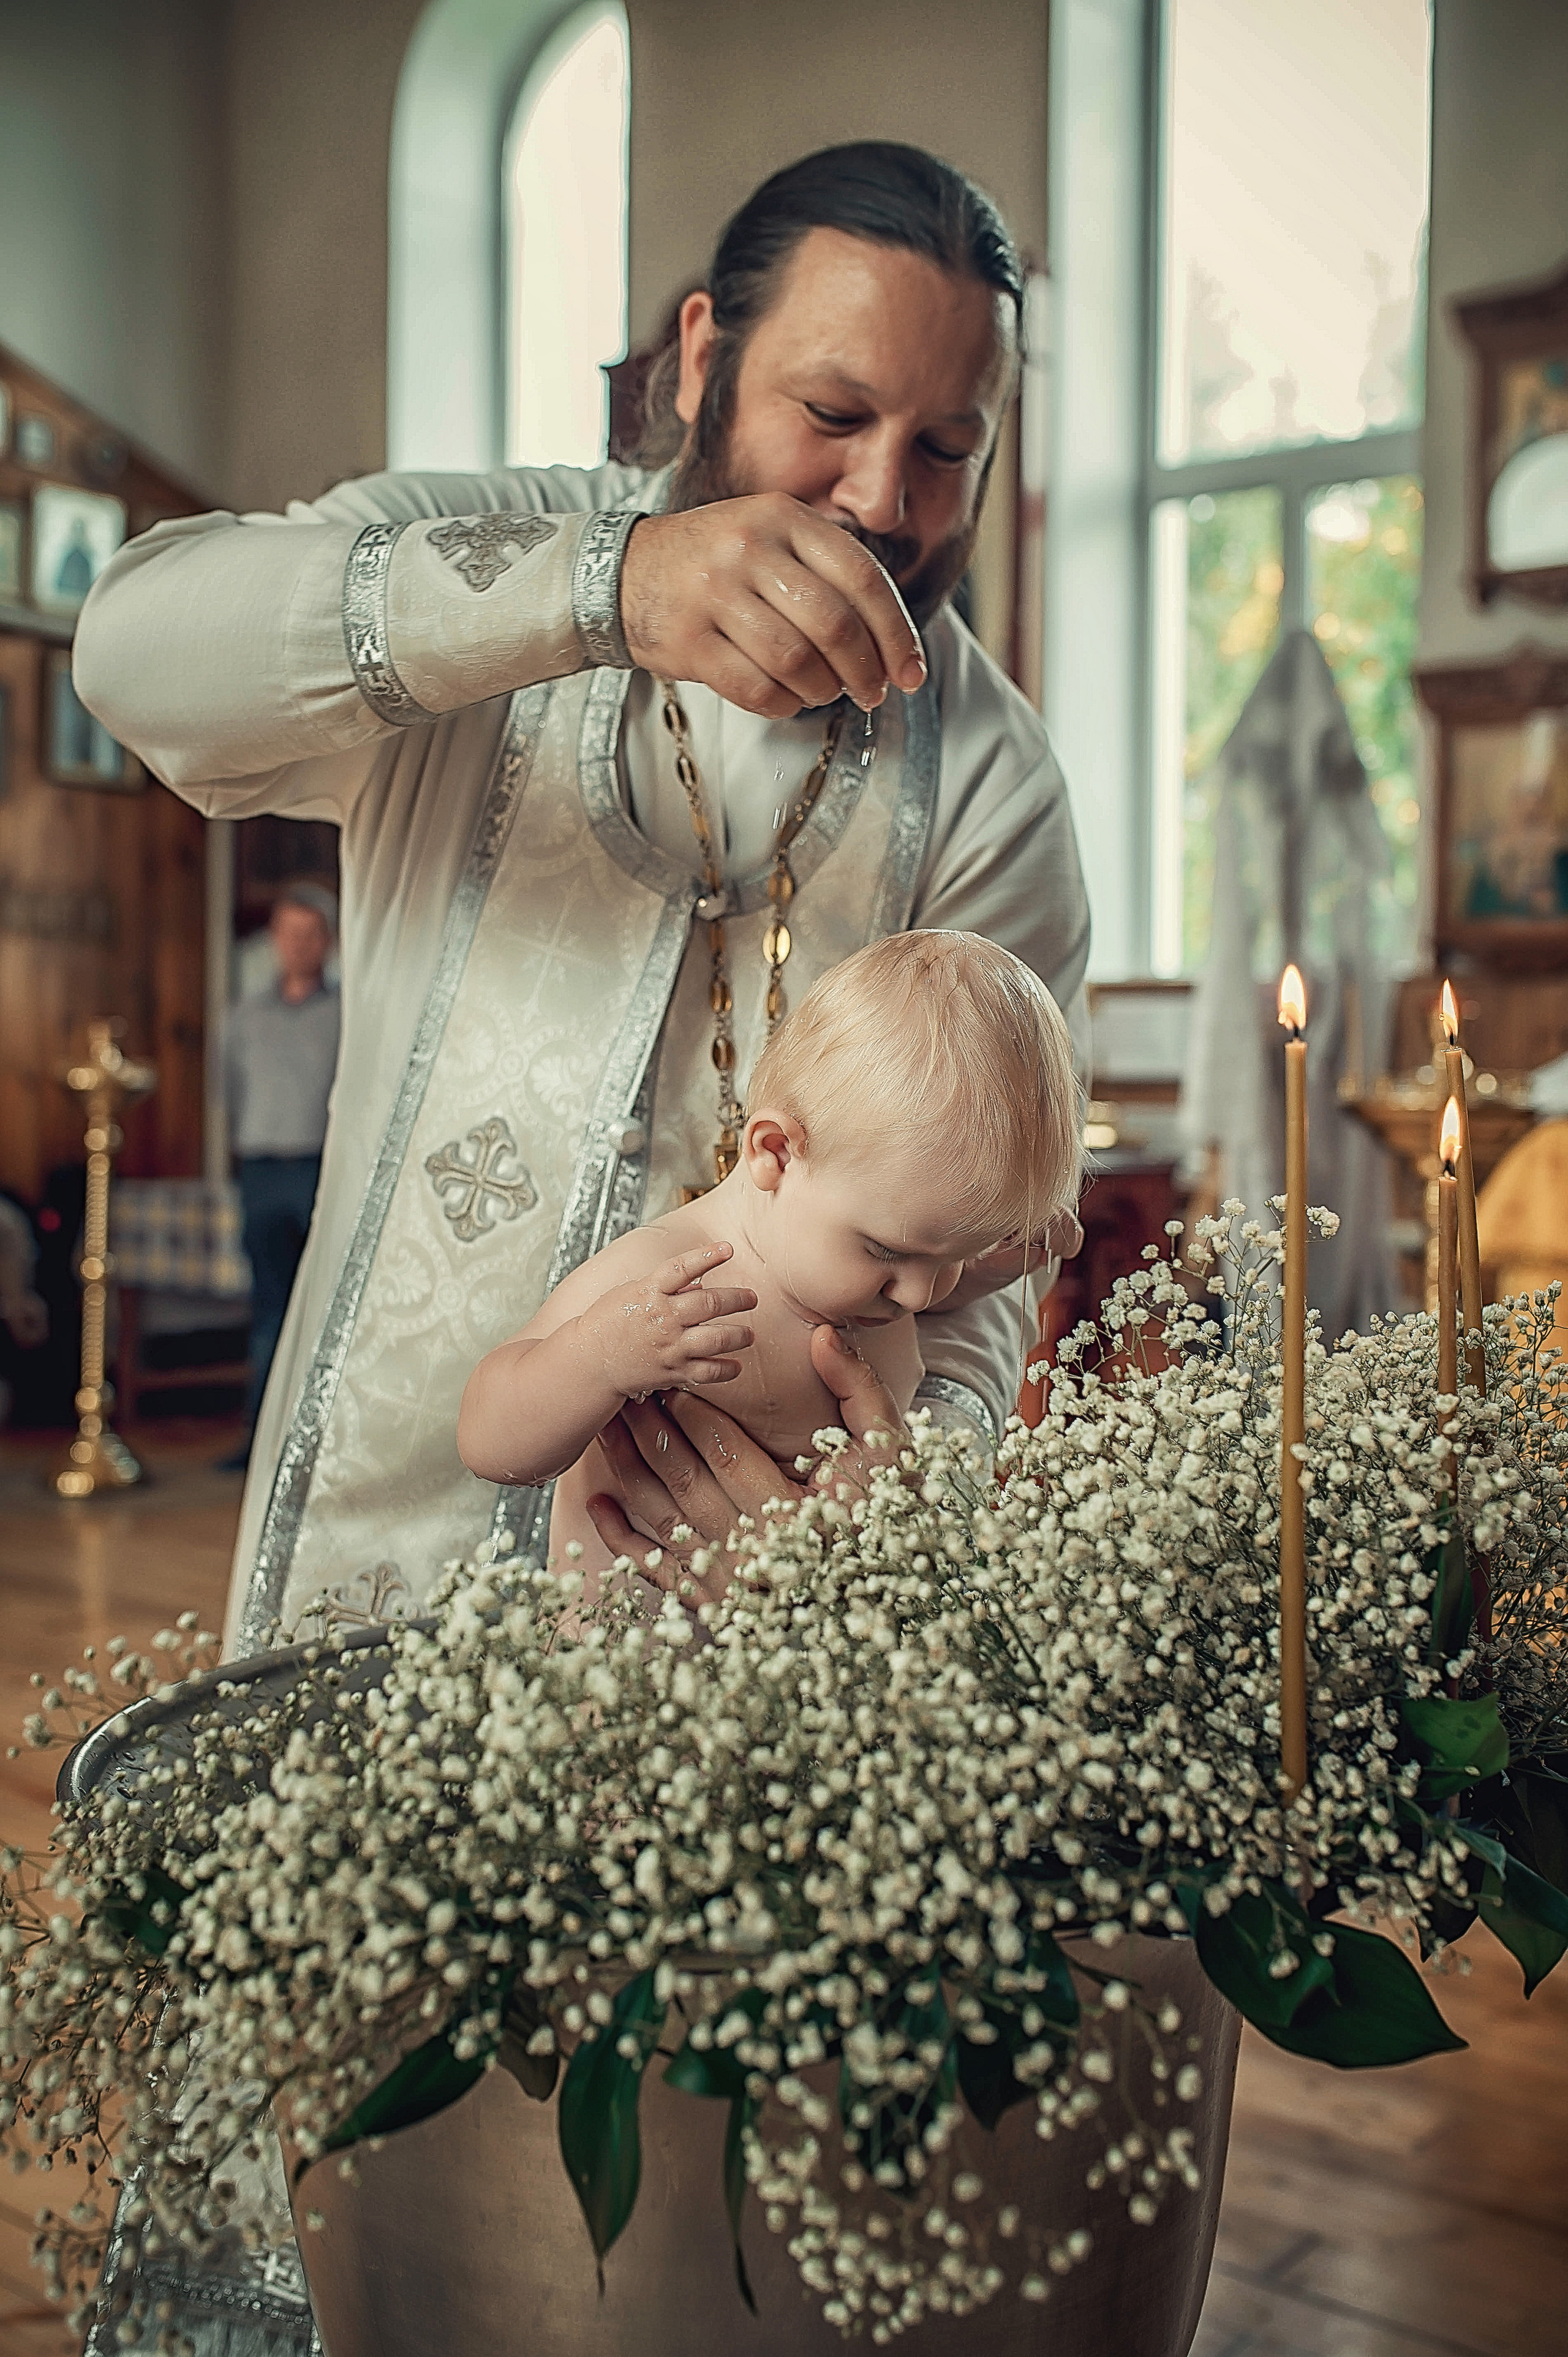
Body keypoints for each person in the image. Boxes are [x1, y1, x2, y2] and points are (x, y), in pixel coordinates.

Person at [74, 140, 1091, 1659]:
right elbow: (131, 648)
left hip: (730, 1624)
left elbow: (975, 1264)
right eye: (832, 413)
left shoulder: (996, 785)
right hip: (377, 1563)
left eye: (948, 445)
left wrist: (882, 1509)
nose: (887, 499)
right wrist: (596, 589)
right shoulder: (511, 542)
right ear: (702, 359)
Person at [458, 933, 1083, 1589]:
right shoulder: (665, 1279)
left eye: (952, 1257)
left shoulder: (875, 1267)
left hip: (805, 1635)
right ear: (776, 1152)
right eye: (887, 1252)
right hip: (630, 1659)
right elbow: (485, 1435)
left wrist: (995, 1261)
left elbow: (933, 1283)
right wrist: (596, 1356)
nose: (919, 1297)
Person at [219, 883, 342, 1468]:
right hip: (261, 1172)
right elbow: (229, 1095)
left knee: (320, 1305)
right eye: (288, 933)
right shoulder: (243, 1017)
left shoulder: (347, 1016)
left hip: (320, 1171)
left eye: (310, 933)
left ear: (329, 941)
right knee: (268, 1309)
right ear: (274, 939)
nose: (298, 944)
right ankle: (257, 1440)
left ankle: (316, 1442)